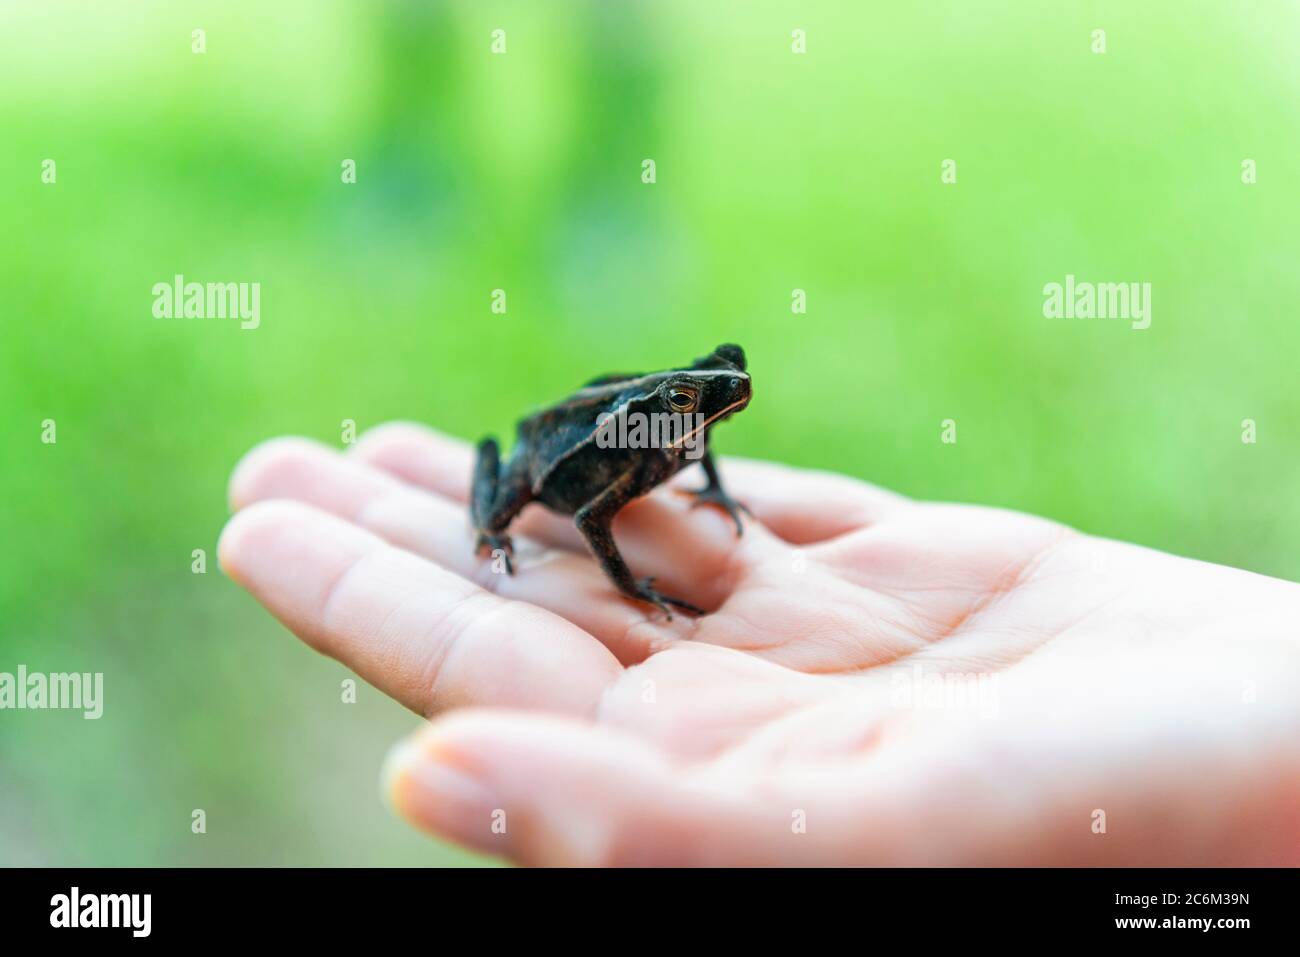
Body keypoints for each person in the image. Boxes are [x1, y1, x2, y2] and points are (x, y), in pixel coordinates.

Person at [218, 423, 1300, 866]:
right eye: (695, 404)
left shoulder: (678, 436)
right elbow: (591, 514)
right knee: (500, 498)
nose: (713, 412)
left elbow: (690, 461)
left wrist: (711, 489)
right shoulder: (631, 448)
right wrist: (625, 580)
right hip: (561, 464)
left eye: (714, 399)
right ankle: (481, 523)